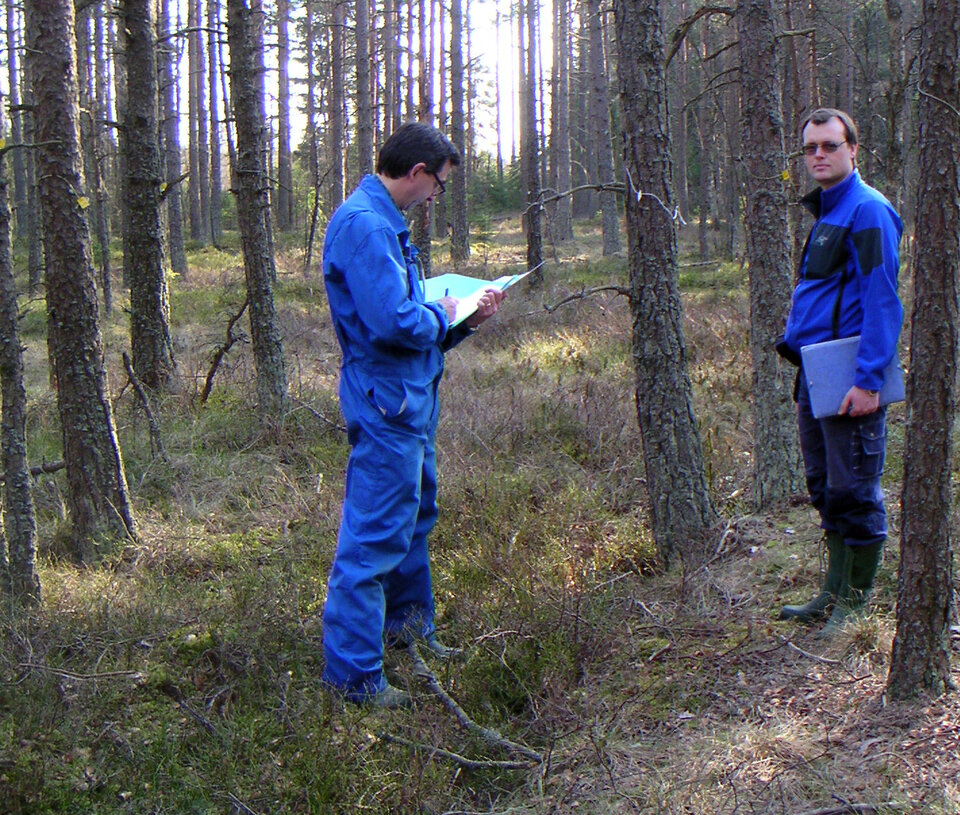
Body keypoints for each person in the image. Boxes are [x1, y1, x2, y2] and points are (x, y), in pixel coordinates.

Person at [320, 123, 505, 707]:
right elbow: (394, 324)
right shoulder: (366, 225)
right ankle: (354, 679)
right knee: (373, 536)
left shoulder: (383, 223)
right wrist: (442, 310)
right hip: (386, 401)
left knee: (412, 518)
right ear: (419, 172)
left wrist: (463, 322)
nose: (434, 198)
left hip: (409, 396)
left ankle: (408, 633)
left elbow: (408, 327)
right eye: (439, 186)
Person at [777, 108, 903, 636]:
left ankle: (856, 603)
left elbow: (882, 299)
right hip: (818, 375)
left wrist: (870, 379)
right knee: (825, 486)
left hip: (851, 378)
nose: (819, 155)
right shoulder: (829, 210)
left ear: (854, 149)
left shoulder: (869, 211)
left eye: (830, 145)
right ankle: (832, 591)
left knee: (855, 489)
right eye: (811, 148)